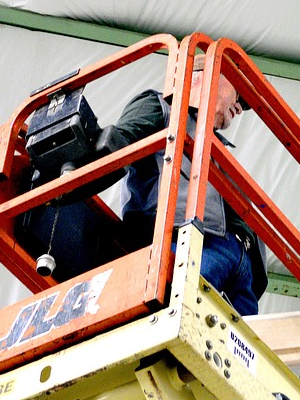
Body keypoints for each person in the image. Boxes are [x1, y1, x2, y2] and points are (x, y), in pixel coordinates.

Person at [107, 58, 267, 317]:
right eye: (238, 93)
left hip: (243, 270)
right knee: (175, 317)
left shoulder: (218, 147)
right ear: (209, 75)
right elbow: (116, 146)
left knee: (239, 349)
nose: (241, 106)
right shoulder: (161, 107)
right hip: (190, 243)